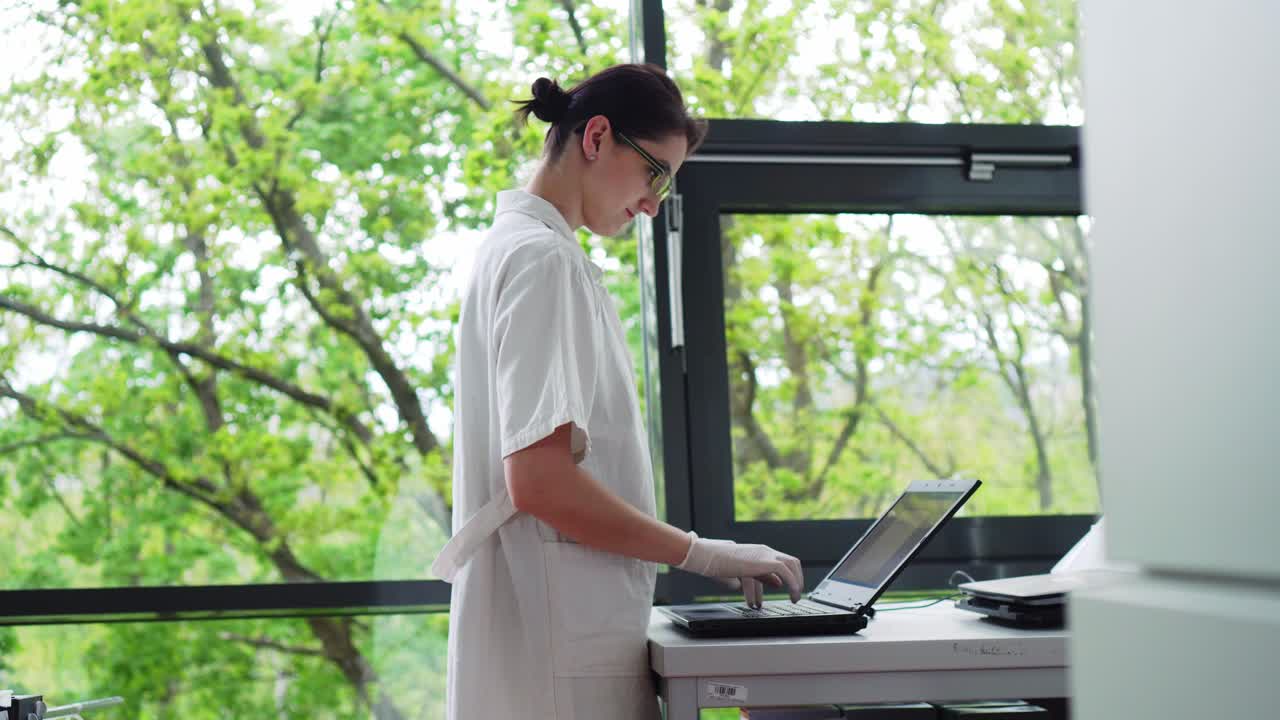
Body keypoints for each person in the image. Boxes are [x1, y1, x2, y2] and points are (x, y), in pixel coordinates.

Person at [430, 63, 805, 720]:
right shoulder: (543, 261)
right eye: (654, 172)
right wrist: (704, 553)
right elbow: (540, 483)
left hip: (550, 644)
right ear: (597, 137)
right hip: (555, 661)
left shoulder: (521, 250)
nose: (653, 203)